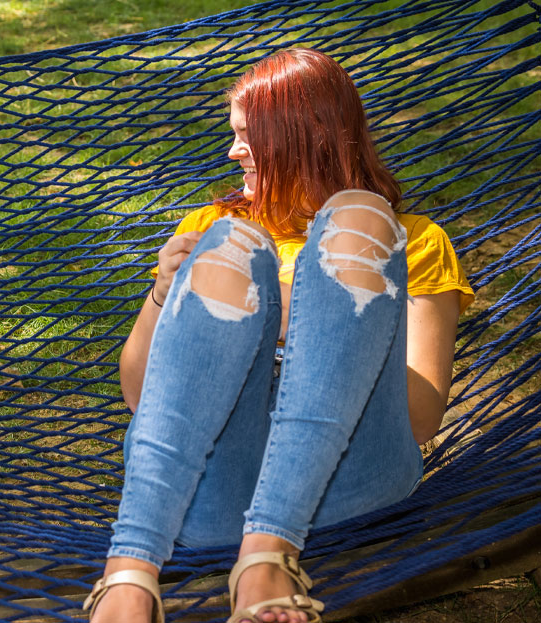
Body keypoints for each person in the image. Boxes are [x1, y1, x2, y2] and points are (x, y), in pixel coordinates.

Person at [83, 48, 473, 623]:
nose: (233, 150)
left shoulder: (413, 241)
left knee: (362, 219)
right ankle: (132, 571)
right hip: (217, 496)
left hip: (354, 481)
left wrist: (329, 318)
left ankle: (267, 553)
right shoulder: (208, 229)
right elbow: (141, 395)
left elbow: (419, 420)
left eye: (247, 135)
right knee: (232, 247)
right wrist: (164, 292)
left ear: (305, 134)